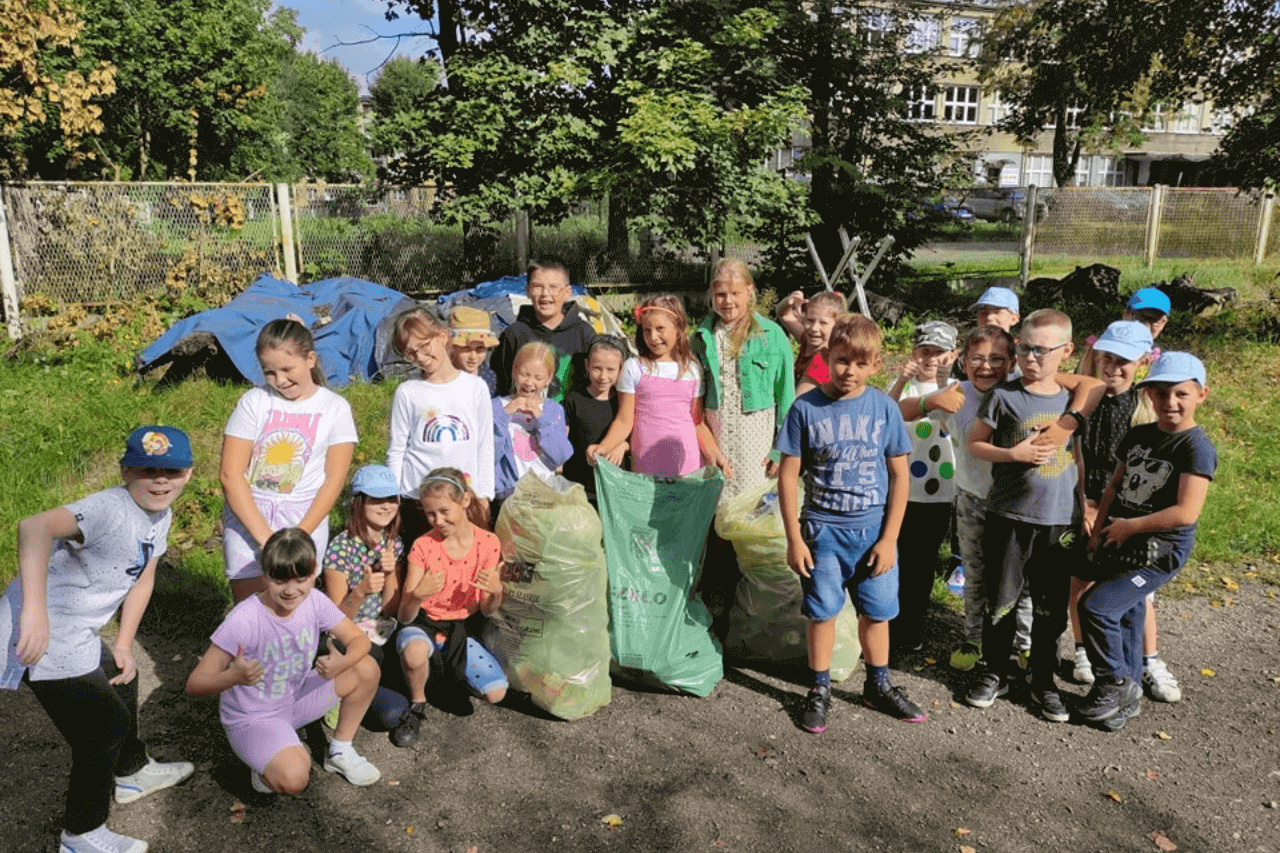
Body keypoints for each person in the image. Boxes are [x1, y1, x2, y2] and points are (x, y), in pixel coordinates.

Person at [1, 426, 196, 853]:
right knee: (103, 729)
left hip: (77, 630)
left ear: (189, 473)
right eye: (147, 470)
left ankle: (132, 772)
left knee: (121, 676)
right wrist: (34, 609)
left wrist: (124, 643)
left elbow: (144, 578)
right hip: (40, 635)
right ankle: (81, 833)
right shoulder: (109, 508)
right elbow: (33, 527)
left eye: (172, 471)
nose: (160, 481)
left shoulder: (159, 514)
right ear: (126, 472)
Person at [776, 314, 924, 731]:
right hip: (822, 531)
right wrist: (794, 539)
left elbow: (899, 476)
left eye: (861, 364)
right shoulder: (805, 407)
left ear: (876, 364)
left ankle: (878, 684)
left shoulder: (884, 408)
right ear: (826, 357)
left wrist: (890, 538)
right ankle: (818, 687)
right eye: (842, 361)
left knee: (877, 612)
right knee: (822, 612)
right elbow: (789, 474)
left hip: (874, 530)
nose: (849, 372)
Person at [1077, 353, 1215, 731]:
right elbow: (1114, 485)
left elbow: (1186, 512)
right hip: (1121, 537)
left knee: (1097, 606)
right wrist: (1101, 530)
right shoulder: (1139, 435)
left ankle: (1114, 682)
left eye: (1181, 394)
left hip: (1159, 551)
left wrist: (1131, 527)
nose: (1170, 402)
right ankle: (1128, 697)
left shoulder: (1195, 447)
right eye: (1161, 393)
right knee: (1128, 612)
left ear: (1201, 395)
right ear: (1148, 395)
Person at [187, 528, 383, 794]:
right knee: (294, 779)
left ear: (314, 573)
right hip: (254, 717)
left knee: (365, 668)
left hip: (295, 698)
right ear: (265, 575)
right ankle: (270, 760)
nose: (291, 591)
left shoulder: (314, 600)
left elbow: (360, 641)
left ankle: (340, 752)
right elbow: (195, 683)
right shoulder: (244, 619)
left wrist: (341, 663)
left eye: (301, 579)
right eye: (280, 581)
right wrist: (233, 677)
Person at [964, 309, 1083, 722]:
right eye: (1025, 348)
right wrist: (1011, 454)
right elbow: (975, 443)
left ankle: (1043, 679)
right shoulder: (1004, 396)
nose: (1031, 358)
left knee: (1050, 609)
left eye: (1042, 350)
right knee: (1001, 601)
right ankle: (994, 670)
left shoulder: (1073, 402)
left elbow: (1080, 457)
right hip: (1008, 516)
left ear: (1066, 352)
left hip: (1057, 522)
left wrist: (1085, 507)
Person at [221, 318, 357, 603]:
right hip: (250, 516)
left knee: (291, 611)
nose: (279, 380)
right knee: (250, 613)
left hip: (303, 518)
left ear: (310, 358)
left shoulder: (335, 408)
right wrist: (267, 540)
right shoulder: (254, 402)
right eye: (269, 372)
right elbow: (230, 475)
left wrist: (299, 537)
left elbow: (334, 480)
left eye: (287, 369)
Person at [1067, 321, 1156, 686]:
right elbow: (1078, 455)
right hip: (1085, 504)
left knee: (1135, 589)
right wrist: (1086, 505)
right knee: (1081, 580)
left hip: (1130, 514)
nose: (1114, 368)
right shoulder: (1086, 401)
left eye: (1125, 361)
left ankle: (1149, 660)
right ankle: (1082, 649)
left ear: (1142, 364)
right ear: (1095, 356)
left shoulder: (1146, 408)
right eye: (1107, 358)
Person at [392, 469, 509, 747]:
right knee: (415, 652)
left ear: (465, 500)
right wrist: (417, 595)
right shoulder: (423, 546)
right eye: (430, 514)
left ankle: (446, 674)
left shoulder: (488, 544)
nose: (438, 521)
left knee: (496, 694)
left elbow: (487, 610)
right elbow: (404, 616)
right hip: (425, 622)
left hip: (461, 628)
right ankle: (417, 702)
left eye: (444, 511)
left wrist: (495, 592)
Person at [590, 294, 731, 478]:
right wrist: (604, 447)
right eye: (646, 330)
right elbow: (624, 421)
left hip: (687, 466)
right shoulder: (634, 368)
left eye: (660, 329)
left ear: (678, 328)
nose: (653, 337)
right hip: (646, 465)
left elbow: (698, 423)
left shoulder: (692, 370)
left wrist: (716, 455)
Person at [386, 307, 495, 547]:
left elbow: (485, 443)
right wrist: (393, 498)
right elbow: (397, 449)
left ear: (443, 336)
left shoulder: (475, 387)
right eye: (411, 353)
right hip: (418, 500)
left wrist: (484, 494)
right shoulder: (407, 392)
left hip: (465, 498)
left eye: (424, 347)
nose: (420, 357)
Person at [693, 259, 795, 502]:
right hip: (715, 434)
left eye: (735, 293)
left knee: (750, 507)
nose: (728, 301)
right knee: (713, 505)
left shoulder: (772, 335)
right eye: (720, 294)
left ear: (749, 292)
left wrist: (781, 450)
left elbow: (786, 396)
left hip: (755, 440)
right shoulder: (702, 337)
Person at [321, 464, 411, 731]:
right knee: (391, 714)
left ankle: (362, 689)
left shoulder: (394, 542)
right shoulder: (340, 547)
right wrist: (360, 591)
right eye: (375, 499)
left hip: (384, 631)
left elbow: (392, 609)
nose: (385, 506)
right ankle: (337, 694)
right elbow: (336, 620)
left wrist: (390, 572)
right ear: (358, 502)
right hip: (352, 638)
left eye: (390, 499)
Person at [888, 320, 960, 653]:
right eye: (925, 350)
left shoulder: (958, 388)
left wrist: (944, 385)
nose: (931, 358)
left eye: (939, 352)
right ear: (914, 352)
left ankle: (912, 623)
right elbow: (886, 414)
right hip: (900, 490)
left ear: (953, 354)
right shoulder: (903, 386)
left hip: (940, 492)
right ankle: (887, 620)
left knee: (923, 562)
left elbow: (953, 422)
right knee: (895, 556)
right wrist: (902, 378)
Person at [490, 258, 596, 402]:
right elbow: (503, 384)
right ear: (528, 291)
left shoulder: (584, 334)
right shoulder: (514, 334)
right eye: (538, 287)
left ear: (567, 292)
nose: (545, 294)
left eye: (553, 287)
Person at [492, 341, 575, 505]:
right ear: (514, 370)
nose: (529, 382)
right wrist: (503, 415)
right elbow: (489, 454)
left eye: (538, 378)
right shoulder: (496, 406)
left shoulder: (553, 410)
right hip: (508, 494)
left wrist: (541, 420)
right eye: (524, 374)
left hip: (545, 492)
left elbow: (561, 455)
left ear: (549, 378)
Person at [563, 336, 628, 504]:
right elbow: (564, 438)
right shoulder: (574, 400)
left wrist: (623, 446)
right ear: (587, 366)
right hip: (579, 485)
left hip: (614, 486)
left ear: (621, 370)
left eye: (611, 370)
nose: (603, 376)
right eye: (597, 368)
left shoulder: (623, 403)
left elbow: (634, 437)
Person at [1076, 287, 1171, 378]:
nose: (1145, 324)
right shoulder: (1104, 344)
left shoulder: (1157, 358)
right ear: (1126, 314)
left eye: (1154, 320)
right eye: (1140, 317)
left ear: (1163, 323)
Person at [793, 291, 847, 396]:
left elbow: (795, 402)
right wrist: (792, 300)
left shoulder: (823, 361)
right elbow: (783, 314)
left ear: (837, 327)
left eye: (823, 323)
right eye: (810, 320)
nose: (814, 328)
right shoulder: (808, 341)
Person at [448, 304, 500, 397]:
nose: (473, 356)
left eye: (480, 348)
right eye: (466, 348)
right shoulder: (442, 378)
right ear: (452, 347)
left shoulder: (489, 377)